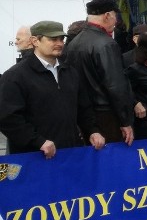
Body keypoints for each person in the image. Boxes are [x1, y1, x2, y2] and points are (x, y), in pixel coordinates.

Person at [0, 21, 104, 157]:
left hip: (69, 152)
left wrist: (92, 131)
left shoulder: (70, 72)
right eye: (53, 39)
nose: (60, 43)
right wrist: (38, 142)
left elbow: (83, 107)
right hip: (34, 156)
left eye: (61, 39)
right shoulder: (15, 76)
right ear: (35, 41)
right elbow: (8, 118)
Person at [63, 0, 135, 145]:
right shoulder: (106, 44)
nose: (116, 21)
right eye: (115, 16)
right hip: (107, 116)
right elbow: (115, 86)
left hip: (84, 116)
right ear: (107, 15)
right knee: (112, 162)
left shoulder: (74, 43)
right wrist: (125, 121)